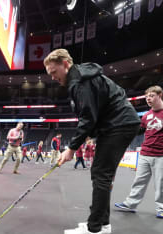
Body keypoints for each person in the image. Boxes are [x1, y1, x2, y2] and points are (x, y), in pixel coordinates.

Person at [44, 48, 140, 234]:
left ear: (66, 64)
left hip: (119, 125)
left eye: (54, 72)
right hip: (116, 124)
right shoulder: (81, 76)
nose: (53, 78)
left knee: (101, 174)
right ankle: (102, 224)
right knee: (100, 173)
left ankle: (94, 228)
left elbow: (88, 118)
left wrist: (71, 148)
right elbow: (93, 115)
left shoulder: (79, 82)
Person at [114, 85, 163, 219]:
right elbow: (139, 131)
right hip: (145, 153)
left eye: (152, 96)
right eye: (147, 97)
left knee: (161, 184)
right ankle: (130, 204)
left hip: (161, 156)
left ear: (160, 96)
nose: (148, 99)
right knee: (139, 181)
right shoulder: (146, 115)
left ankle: (162, 208)